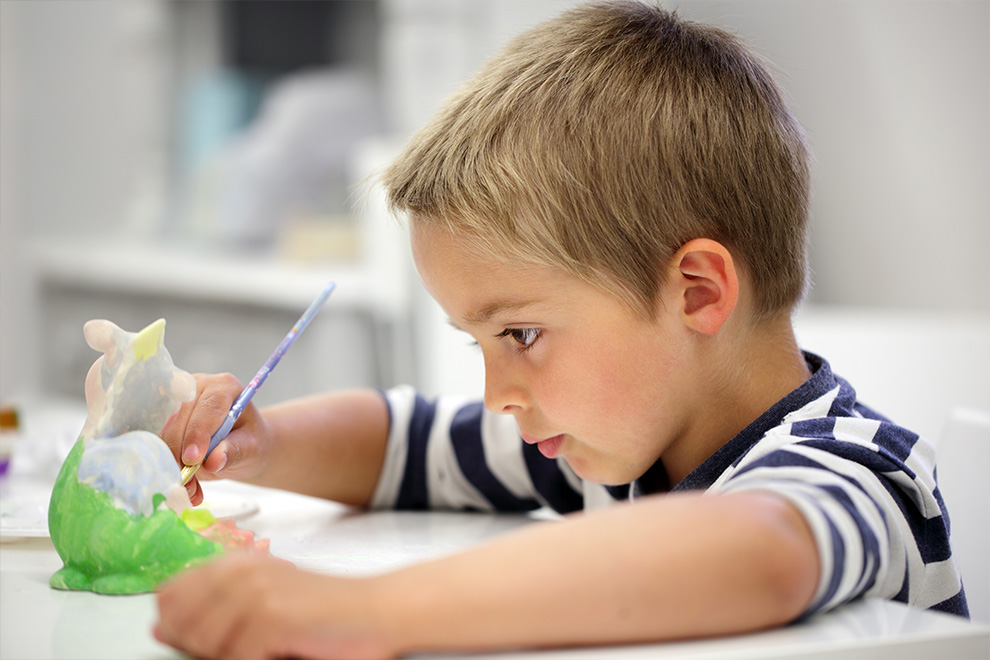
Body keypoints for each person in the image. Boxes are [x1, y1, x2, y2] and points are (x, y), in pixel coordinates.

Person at [153, 2, 968, 658]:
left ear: (695, 292)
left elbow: (759, 551)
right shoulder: (619, 441)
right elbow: (406, 442)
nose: (496, 397)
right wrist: (261, 442)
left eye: (520, 336)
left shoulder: (859, 468)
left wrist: (369, 612)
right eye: (480, 344)